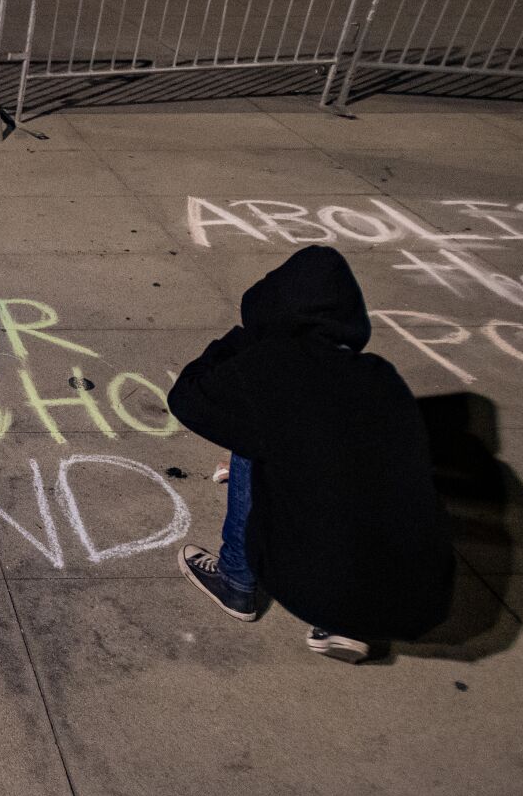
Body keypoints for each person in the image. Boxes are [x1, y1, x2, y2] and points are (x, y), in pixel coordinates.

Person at [168, 246, 453, 662]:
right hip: (422, 596)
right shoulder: (380, 377)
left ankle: (236, 580)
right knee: (350, 459)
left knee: (255, 441)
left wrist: (243, 340)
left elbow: (187, 398)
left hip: (311, 576)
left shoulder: (274, 368)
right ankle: (347, 622)